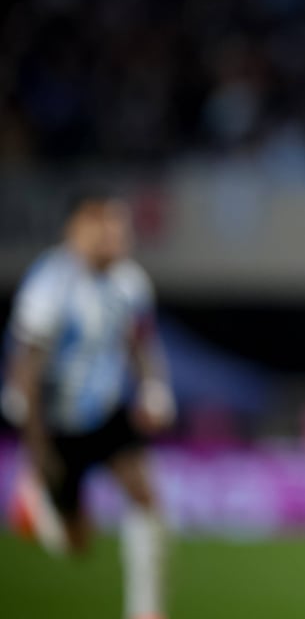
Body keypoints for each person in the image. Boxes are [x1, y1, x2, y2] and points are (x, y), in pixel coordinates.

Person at [3, 187, 174, 619]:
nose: (111, 232)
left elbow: (139, 343)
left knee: (146, 497)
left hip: (107, 410)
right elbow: (27, 371)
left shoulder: (131, 282)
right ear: (74, 229)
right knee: (76, 544)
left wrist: (153, 389)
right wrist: (38, 452)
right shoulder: (49, 286)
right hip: (56, 422)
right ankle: (36, 496)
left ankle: (146, 611)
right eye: (99, 222)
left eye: (116, 222)